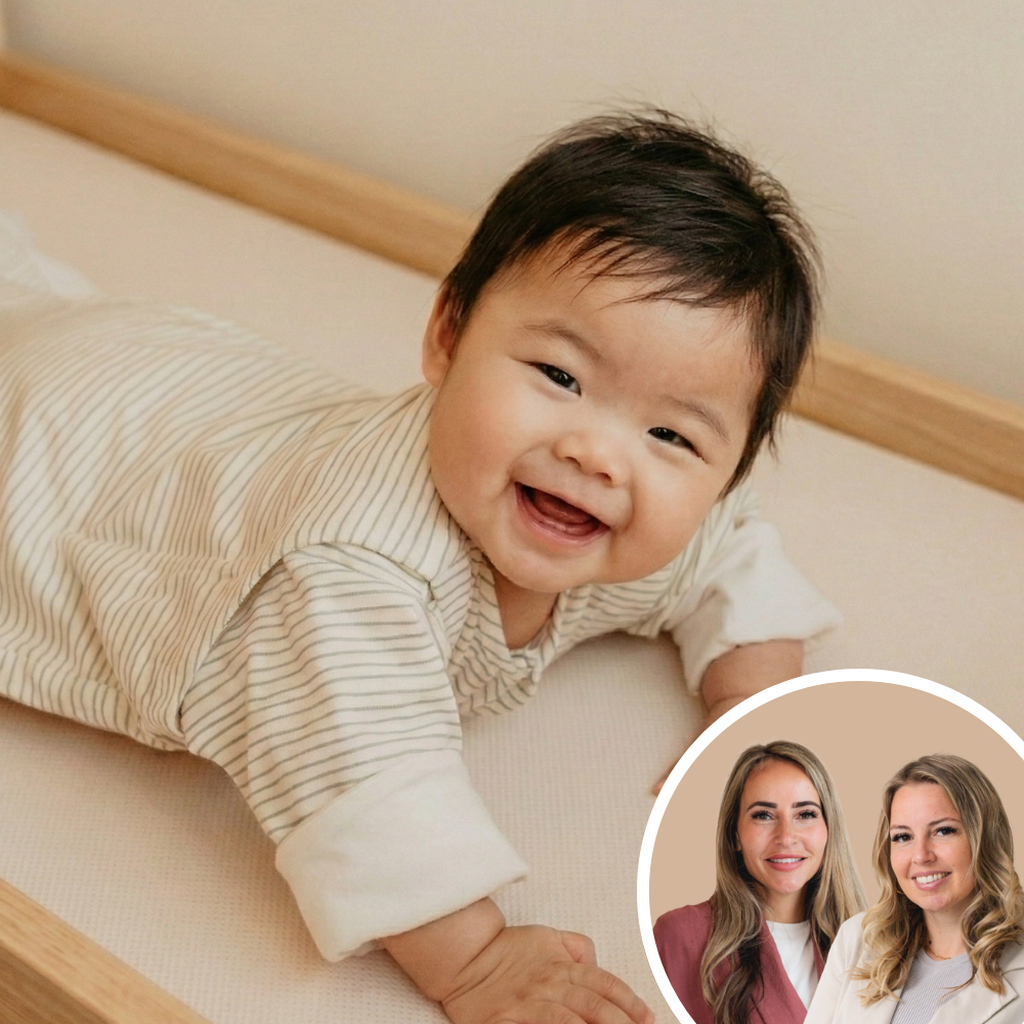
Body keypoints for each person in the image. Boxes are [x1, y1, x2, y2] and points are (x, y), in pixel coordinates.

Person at [0, 111, 840, 1024]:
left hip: (175, 387)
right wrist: (477, 962)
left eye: (671, 435)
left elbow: (733, 553)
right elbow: (366, 790)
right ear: (447, 334)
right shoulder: (349, 577)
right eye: (560, 377)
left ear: (727, 469)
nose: (598, 453)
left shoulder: (620, 526)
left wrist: (748, 707)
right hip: (52, 467)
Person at [654, 741, 866, 1024]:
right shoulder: (681, 937)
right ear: (735, 835)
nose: (786, 837)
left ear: (829, 830)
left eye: (805, 814)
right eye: (763, 815)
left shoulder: (870, 947)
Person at [805, 754, 1024, 1024]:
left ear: (985, 838)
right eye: (903, 836)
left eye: (943, 831)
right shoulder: (856, 940)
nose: (921, 855)